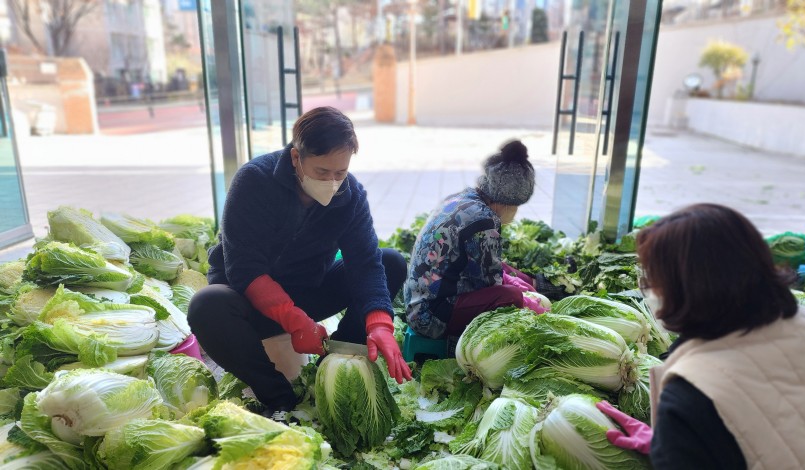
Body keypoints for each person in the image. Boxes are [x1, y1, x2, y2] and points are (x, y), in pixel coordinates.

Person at [188, 107, 413, 417]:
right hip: (247, 299)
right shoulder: (254, 180)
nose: (333, 183)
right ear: (296, 158)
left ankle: (332, 367)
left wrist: (380, 324)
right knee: (206, 304)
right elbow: (245, 269)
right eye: (322, 172)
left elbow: (366, 263)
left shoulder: (351, 195)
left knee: (391, 262)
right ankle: (279, 397)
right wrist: (296, 321)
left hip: (306, 289)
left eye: (341, 172)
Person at [595, 203, 805, 469]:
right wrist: (673, 444)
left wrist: (678, 444)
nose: (646, 288)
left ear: (685, 289)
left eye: (652, 278)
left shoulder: (692, 388)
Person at [403, 140, 562, 339]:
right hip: (431, 318)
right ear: (505, 203)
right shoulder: (484, 221)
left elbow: (484, 267)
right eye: (516, 207)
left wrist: (514, 278)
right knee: (509, 296)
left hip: (416, 302)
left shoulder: (463, 198)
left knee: (503, 269)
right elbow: (489, 285)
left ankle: (536, 286)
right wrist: (526, 301)